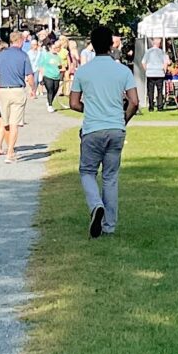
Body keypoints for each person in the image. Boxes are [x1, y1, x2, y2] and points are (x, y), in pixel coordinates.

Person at [68, 23, 139, 237]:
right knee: (110, 177)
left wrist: (89, 109)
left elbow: (73, 103)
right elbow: (134, 101)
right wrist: (122, 118)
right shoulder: (122, 70)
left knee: (88, 172)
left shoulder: (83, 71)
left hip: (92, 128)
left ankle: (95, 205)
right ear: (111, 45)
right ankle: (109, 225)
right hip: (116, 128)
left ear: (92, 44)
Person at [0, 27, 33, 159]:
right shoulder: (23, 55)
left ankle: (1, 146)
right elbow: (30, 76)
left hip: (3, 91)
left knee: (5, 121)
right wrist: (33, 89)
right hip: (17, 90)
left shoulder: (1, 55)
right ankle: (10, 152)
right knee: (14, 123)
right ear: (20, 41)